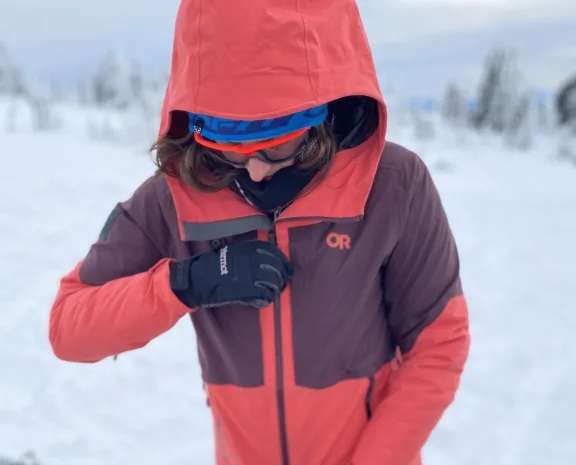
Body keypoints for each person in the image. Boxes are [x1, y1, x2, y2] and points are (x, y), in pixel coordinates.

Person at [48, 0, 471, 464]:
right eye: (229, 142)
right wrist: (186, 283)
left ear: (325, 111)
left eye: (276, 140)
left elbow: (438, 344)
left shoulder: (392, 184)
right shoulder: (175, 197)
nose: (254, 169)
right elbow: (70, 329)